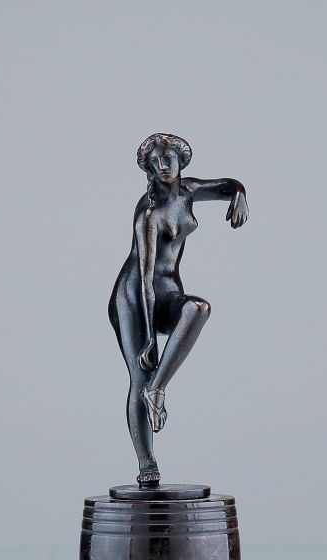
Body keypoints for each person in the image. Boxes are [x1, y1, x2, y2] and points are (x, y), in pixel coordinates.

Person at [108, 133, 249, 485]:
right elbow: (144, 279)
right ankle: (146, 463)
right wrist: (149, 340)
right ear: (148, 169)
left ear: (181, 162)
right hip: (133, 298)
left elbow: (225, 186)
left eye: (168, 158)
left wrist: (240, 194)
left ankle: (157, 388)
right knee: (139, 374)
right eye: (156, 161)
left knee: (198, 309)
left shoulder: (188, 190)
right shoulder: (149, 214)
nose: (163, 165)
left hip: (169, 291)